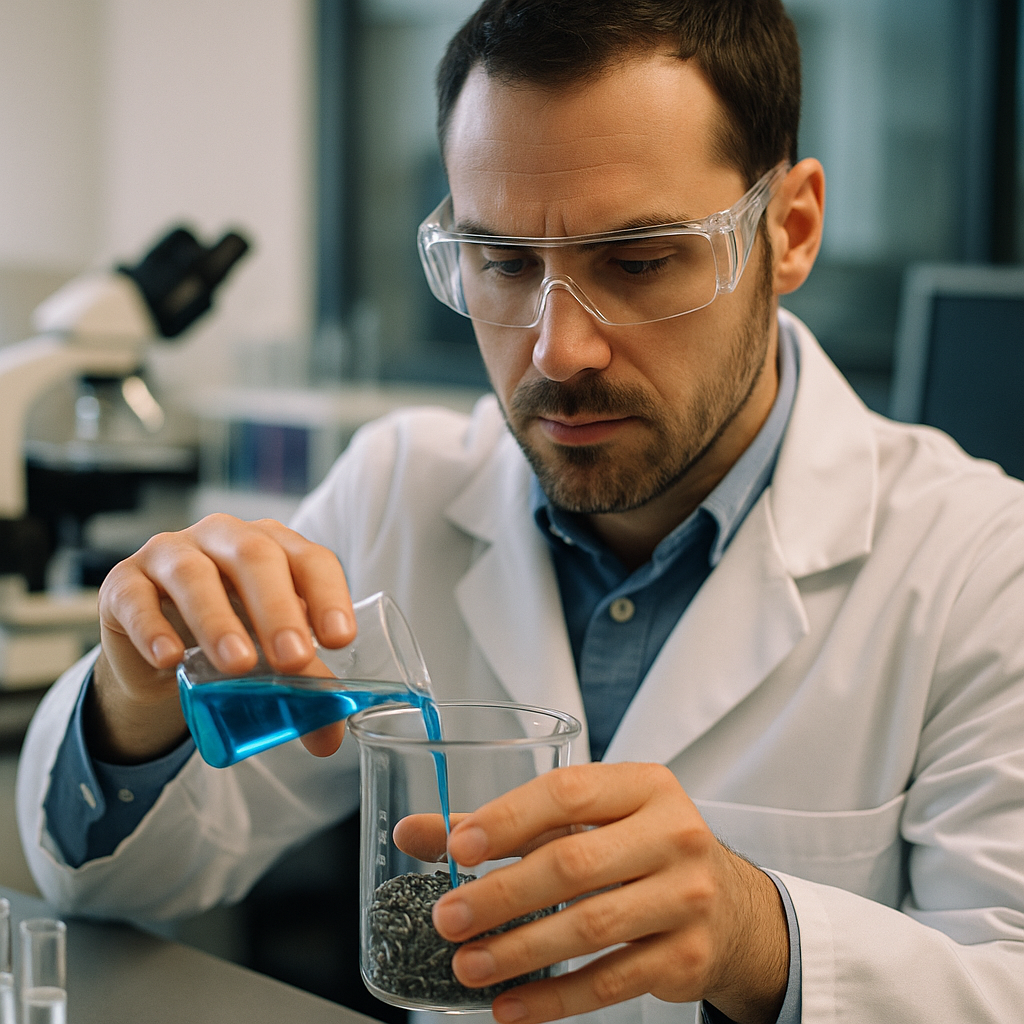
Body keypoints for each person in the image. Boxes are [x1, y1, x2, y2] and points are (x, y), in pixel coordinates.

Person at [16, 1, 1024, 1022]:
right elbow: (108, 884)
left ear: (790, 229)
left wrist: (759, 933)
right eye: (501, 262)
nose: (557, 352)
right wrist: (134, 705)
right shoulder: (398, 492)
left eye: (636, 263)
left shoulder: (981, 565)